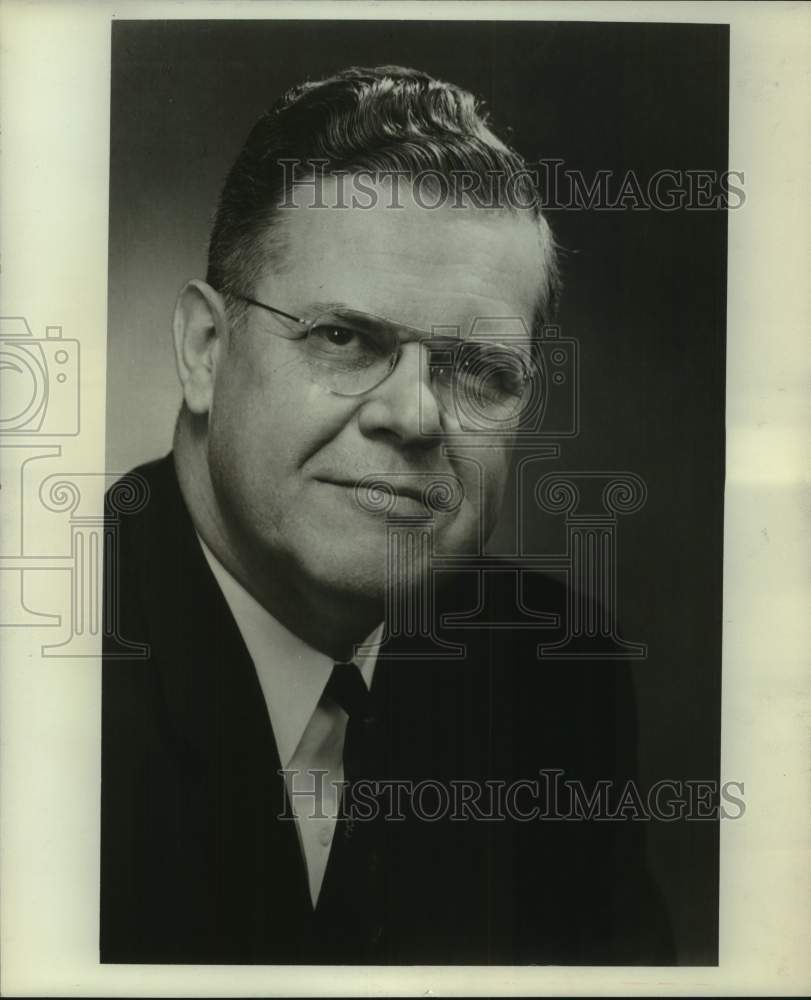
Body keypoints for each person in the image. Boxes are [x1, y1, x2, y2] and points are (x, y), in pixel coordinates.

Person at [100, 65, 674, 965]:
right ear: (206, 350)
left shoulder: (557, 677)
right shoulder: (41, 655)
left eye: (478, 369)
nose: (413, 416)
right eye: (344, 337)